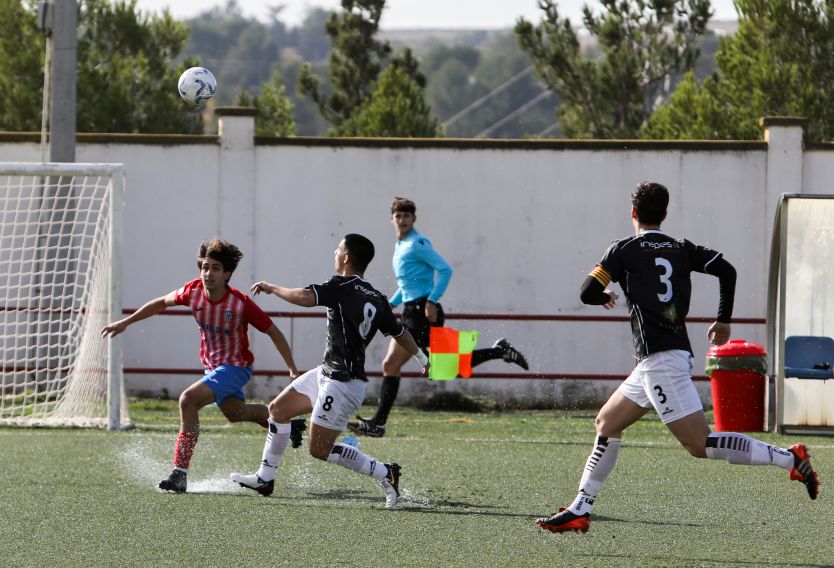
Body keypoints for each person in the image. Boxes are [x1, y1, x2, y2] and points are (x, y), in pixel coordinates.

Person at [536, 181, 820, 534]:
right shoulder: (680, 248)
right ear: (665, 214)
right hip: (656, 361)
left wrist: (605, 296)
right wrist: (723, 319)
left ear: (633, 212)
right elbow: (727, 270)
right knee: (607, 423)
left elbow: (587, 292)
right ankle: (580, 509)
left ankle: (790, 459)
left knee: (699, 444)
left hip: (661, 362)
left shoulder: (623, 250)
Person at [231, 234, 428, 507]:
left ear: (346, 258)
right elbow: (400, 332)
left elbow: (305, 296)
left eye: (338, 249)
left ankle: (386, 472)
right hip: (327, 373)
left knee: (319, 449)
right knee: (277, 410)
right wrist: (422, 357)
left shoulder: (341, 286)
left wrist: (273, 288)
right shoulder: (378, 298)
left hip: (343, 383)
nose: (334, 253)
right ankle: (265, 478)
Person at [101, 239, 299, 493]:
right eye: (205, 267)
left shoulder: (239, 303)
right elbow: (161, 302)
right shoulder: (192, 292)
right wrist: (125, 322)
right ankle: (285, 424)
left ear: (227, 274)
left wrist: (292, 368)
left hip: (236, 368)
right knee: (236, 413)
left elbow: (273, 331)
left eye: (215, 268)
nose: (208, 274)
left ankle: (179, 474)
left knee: (188, 400)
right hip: (214, 368)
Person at [349, 196, 529, 438]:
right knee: (396, 365)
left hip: (423, 313)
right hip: (410, 311)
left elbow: (445, 269)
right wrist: (388, 305)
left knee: (441, 367)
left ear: (414, 218)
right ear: (391, 218)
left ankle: (500, 351)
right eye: (398, 216)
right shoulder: (401, 245)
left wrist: (432, 301)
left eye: (407, 216)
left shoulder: (417, 243)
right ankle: (378, 424)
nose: (402, 220)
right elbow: (408, 283)